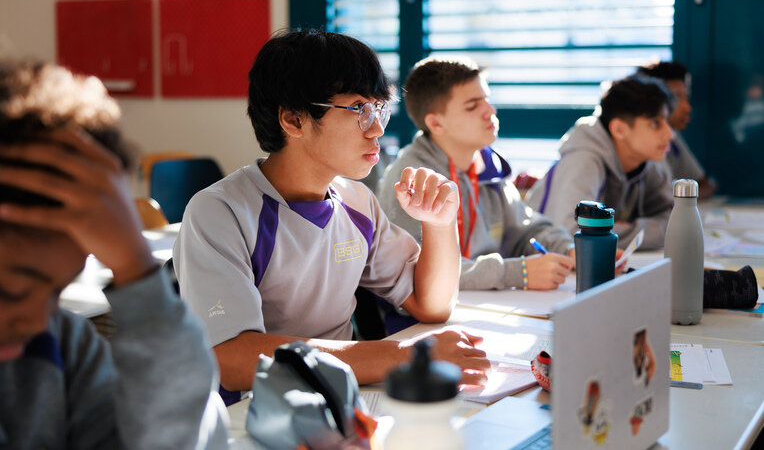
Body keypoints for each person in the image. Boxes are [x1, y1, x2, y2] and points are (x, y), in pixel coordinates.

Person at [173, 30, 490, 405]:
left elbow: (431, 303)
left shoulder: (357, 201)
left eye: (379, 108)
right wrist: (405, 357)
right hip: (251, 413)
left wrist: (439, 223)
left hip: (338, 400)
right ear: (293, 120)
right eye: (359, 110)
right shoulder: (221, 212)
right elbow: (233, 358)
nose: (377, 129)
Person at [0, 61, 228, 449]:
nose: (39, 319)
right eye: (13, 291)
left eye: (57, 292)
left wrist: (136, 267)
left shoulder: (62, 346)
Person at [378, 56, 575, 292]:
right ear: (436, 123)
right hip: (417, 321)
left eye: (487, 100)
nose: (490, 111)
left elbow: (526, 231)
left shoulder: (488, 165)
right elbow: (418, 274)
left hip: (479, 305)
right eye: (473, 106)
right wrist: (515, 273)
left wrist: (570, 249)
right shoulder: (410, 180)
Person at [526, 76, 675, 250]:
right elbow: (573, 236)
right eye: (655, 123)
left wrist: (614, 230)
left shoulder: (643, 163)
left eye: (667, 122)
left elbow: (674, 219)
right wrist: (645, 230)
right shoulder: (583, 161)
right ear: (619, 129)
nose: (670, 134)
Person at [637, 61, 717, 198]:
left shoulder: (671, 134)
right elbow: (664, 199)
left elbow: (705, 184)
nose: (687, 107)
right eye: (675, 97)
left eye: (686, 97)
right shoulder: (639, 142)